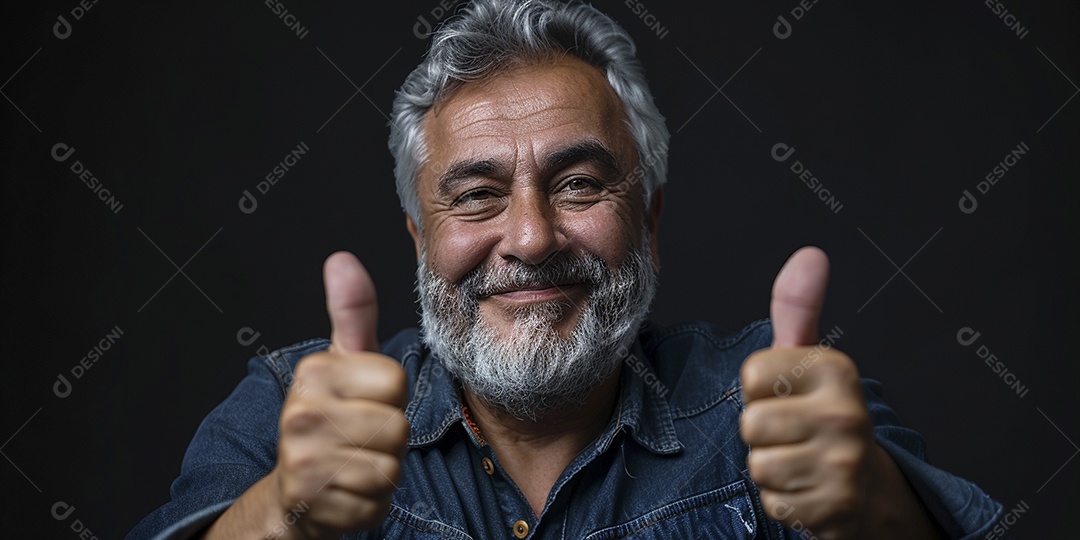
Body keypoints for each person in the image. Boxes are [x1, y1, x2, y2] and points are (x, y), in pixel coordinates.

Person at [129, 0, 1004, 538]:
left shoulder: (782, 402)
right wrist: (281, 516)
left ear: (648, 222)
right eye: (476, 196)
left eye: (579, 184)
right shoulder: (289, 410)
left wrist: (876, 512)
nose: (532, 237)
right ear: (420, 240)